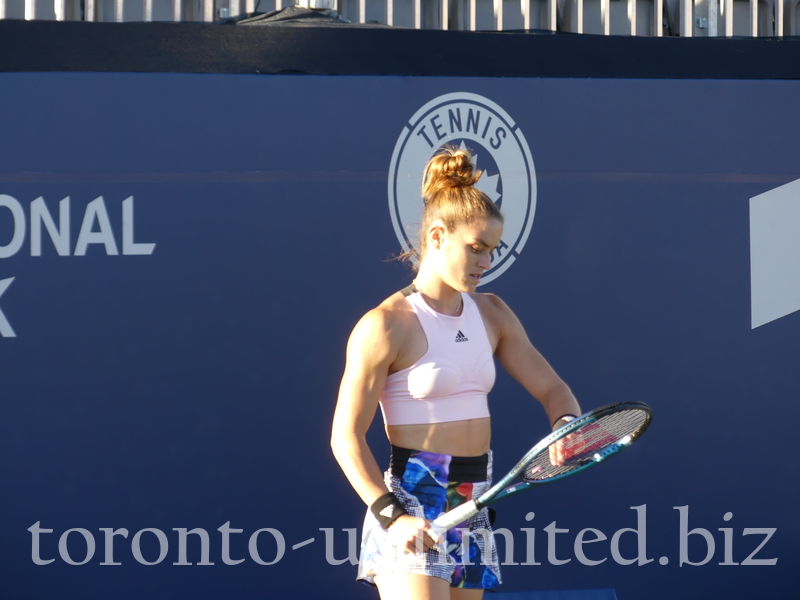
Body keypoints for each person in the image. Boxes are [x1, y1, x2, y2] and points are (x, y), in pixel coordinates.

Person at [331, 147, 582, 600]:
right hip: (410, 499)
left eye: (492, 251)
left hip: (475, 499)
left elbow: (554, 390)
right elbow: (345, 438)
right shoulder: (385, 325)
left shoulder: (493, 313)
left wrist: (564, 426)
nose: (486, 262)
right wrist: (392, 514)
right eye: (476, 249)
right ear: (437, 235)